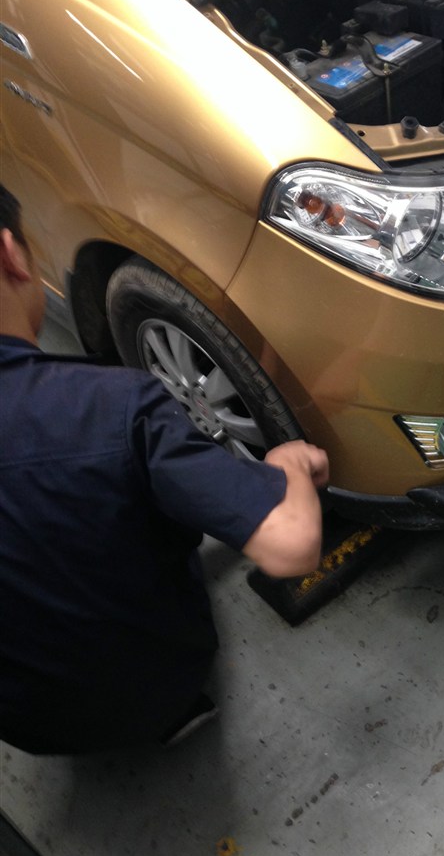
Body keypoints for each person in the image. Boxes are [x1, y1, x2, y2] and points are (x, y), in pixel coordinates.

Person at [0, 184, 329, 754]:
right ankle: (167, 710)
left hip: (26, 729)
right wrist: (289, 466)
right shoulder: (108, 406)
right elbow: (291, 546)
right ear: (10, 255)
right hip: (151, 690)